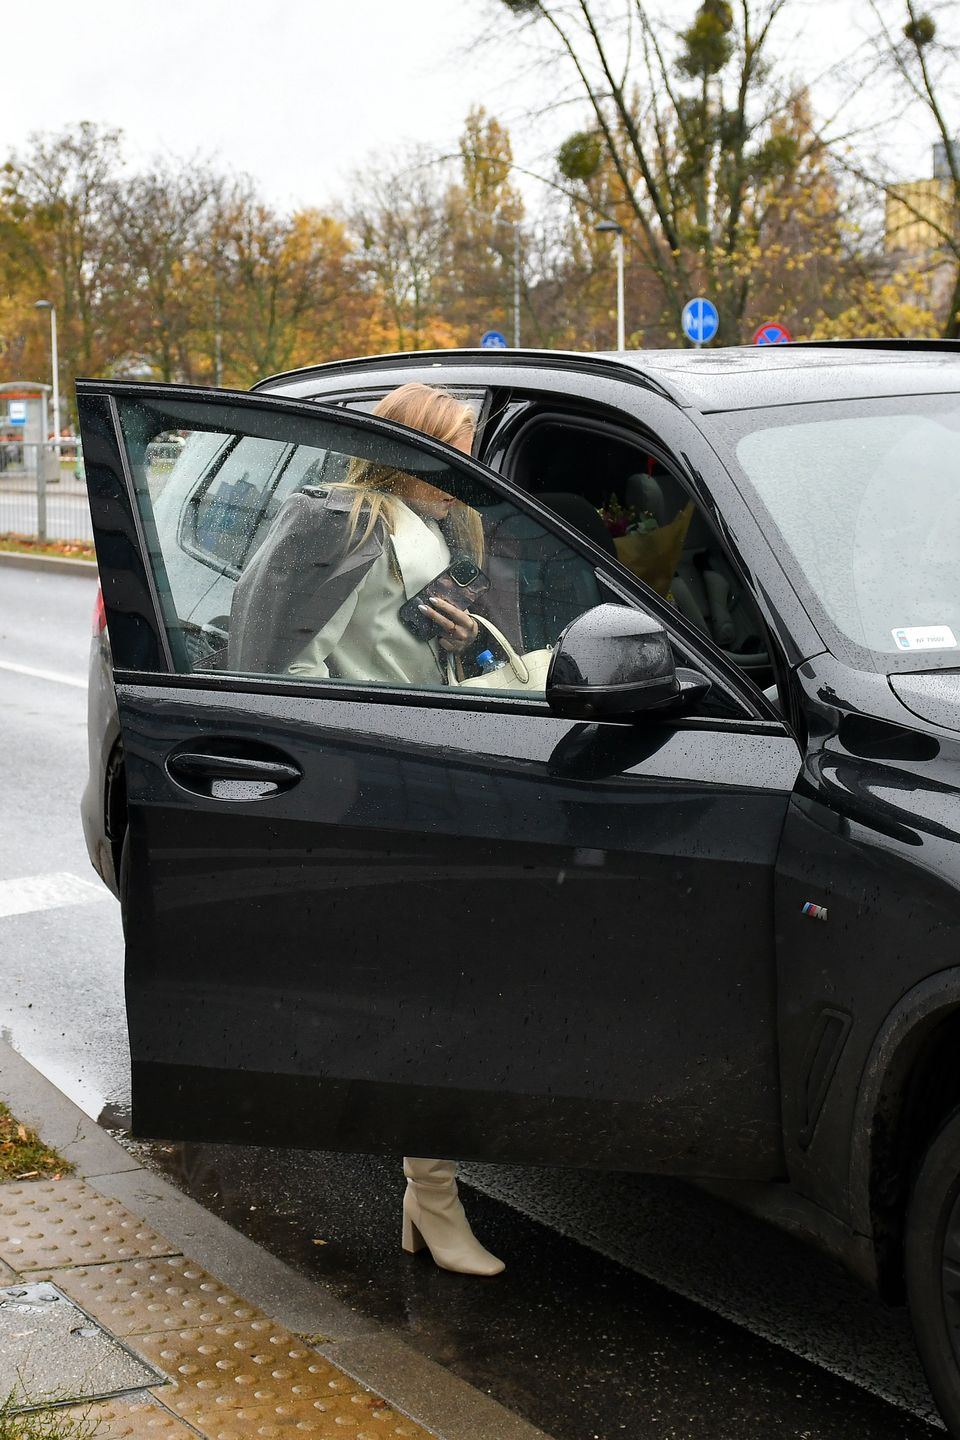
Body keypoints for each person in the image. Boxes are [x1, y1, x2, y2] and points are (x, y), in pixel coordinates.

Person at [229, 383, 505, 1277]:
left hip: (422, 774)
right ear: (417, 445)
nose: (468, 461)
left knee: (438, 998)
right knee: (426, 1004)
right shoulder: (345, 522)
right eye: (458, 441)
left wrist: (454, 645)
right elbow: (284, 664)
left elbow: (375, 638)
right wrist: (365, 736)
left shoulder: (401, 524)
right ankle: (434, 1202)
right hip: (374, 784)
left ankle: (428, 1201)